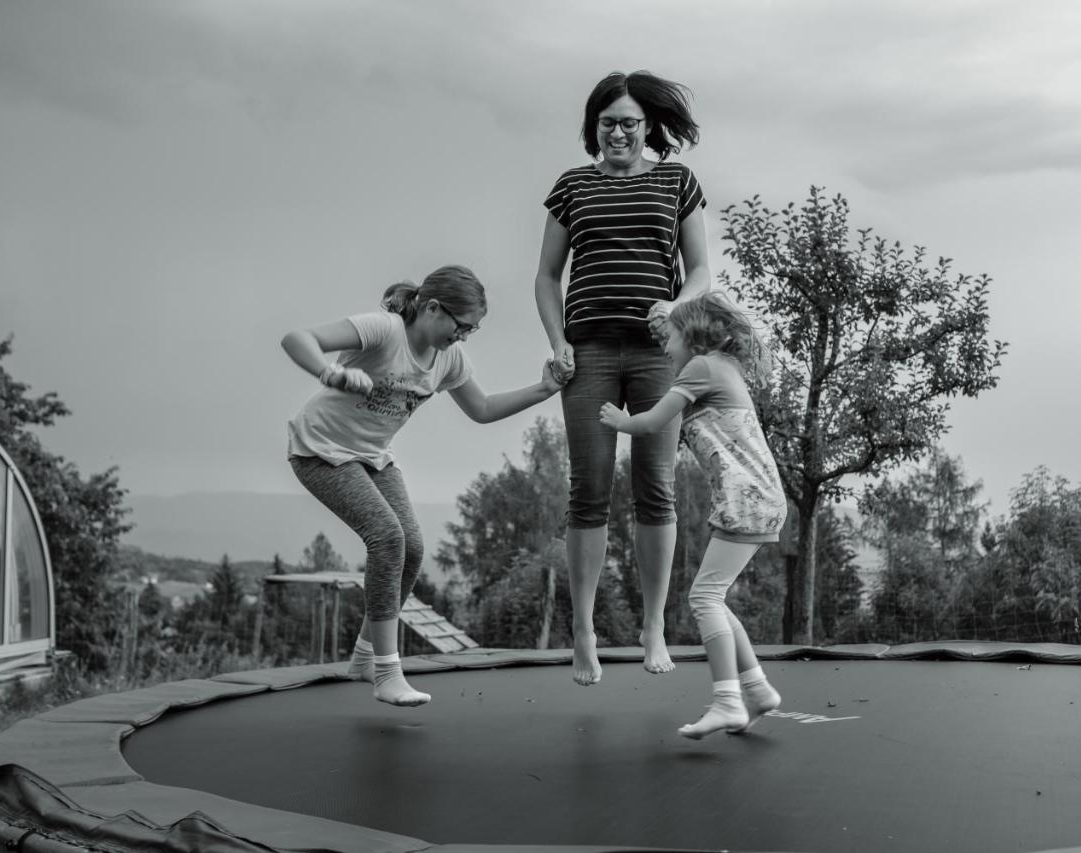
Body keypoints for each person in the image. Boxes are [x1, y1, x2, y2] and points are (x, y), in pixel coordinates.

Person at [282, 264, 564, 707]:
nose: (464, 337)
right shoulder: (384, 331)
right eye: (462, 326)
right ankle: (386, 673)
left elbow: (484, 408)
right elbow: (296, 338)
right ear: (432, 307)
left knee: (412, 548)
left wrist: (543, 390)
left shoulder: (449, 359)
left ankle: (363, 657)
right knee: (387, 538)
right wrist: (328, 372)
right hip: (320, 451)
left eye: (473, 331)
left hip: (373, 457)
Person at [534, 70, 710, 686]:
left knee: (655, 487)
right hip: (588, 355)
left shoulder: (676, 181)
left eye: (629, 123)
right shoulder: (573, 187)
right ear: (595, 127)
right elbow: (547, 277)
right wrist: (557, 343)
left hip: (657, 354)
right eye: (608, 122)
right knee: (587, 490)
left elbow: (702, 272)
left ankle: (653, 626)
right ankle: (583, 630)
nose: (618, 132)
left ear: (647, 128)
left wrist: (676, 306)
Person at [599, 292, 786, 739]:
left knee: (703, 599)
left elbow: (651, 422)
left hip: (747, 501)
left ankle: (727, 702)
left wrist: (617, 418)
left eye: (669, 337)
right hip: (758, 499)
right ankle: (757, 690)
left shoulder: (700, 368)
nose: (664, 346)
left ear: (693, 335)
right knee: (714, 597)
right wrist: (666, 314)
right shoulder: (723, 366)